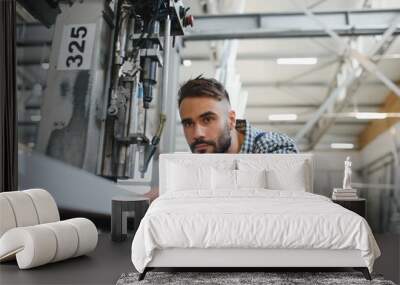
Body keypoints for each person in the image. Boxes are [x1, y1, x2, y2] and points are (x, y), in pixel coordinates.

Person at [145, 75, 299, 200]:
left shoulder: (274, 147)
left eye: (207, 119)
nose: (197, 133)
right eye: (188, 123)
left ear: (231, 120)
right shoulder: (203, 159)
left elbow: (281, 204)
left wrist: (184, 188)